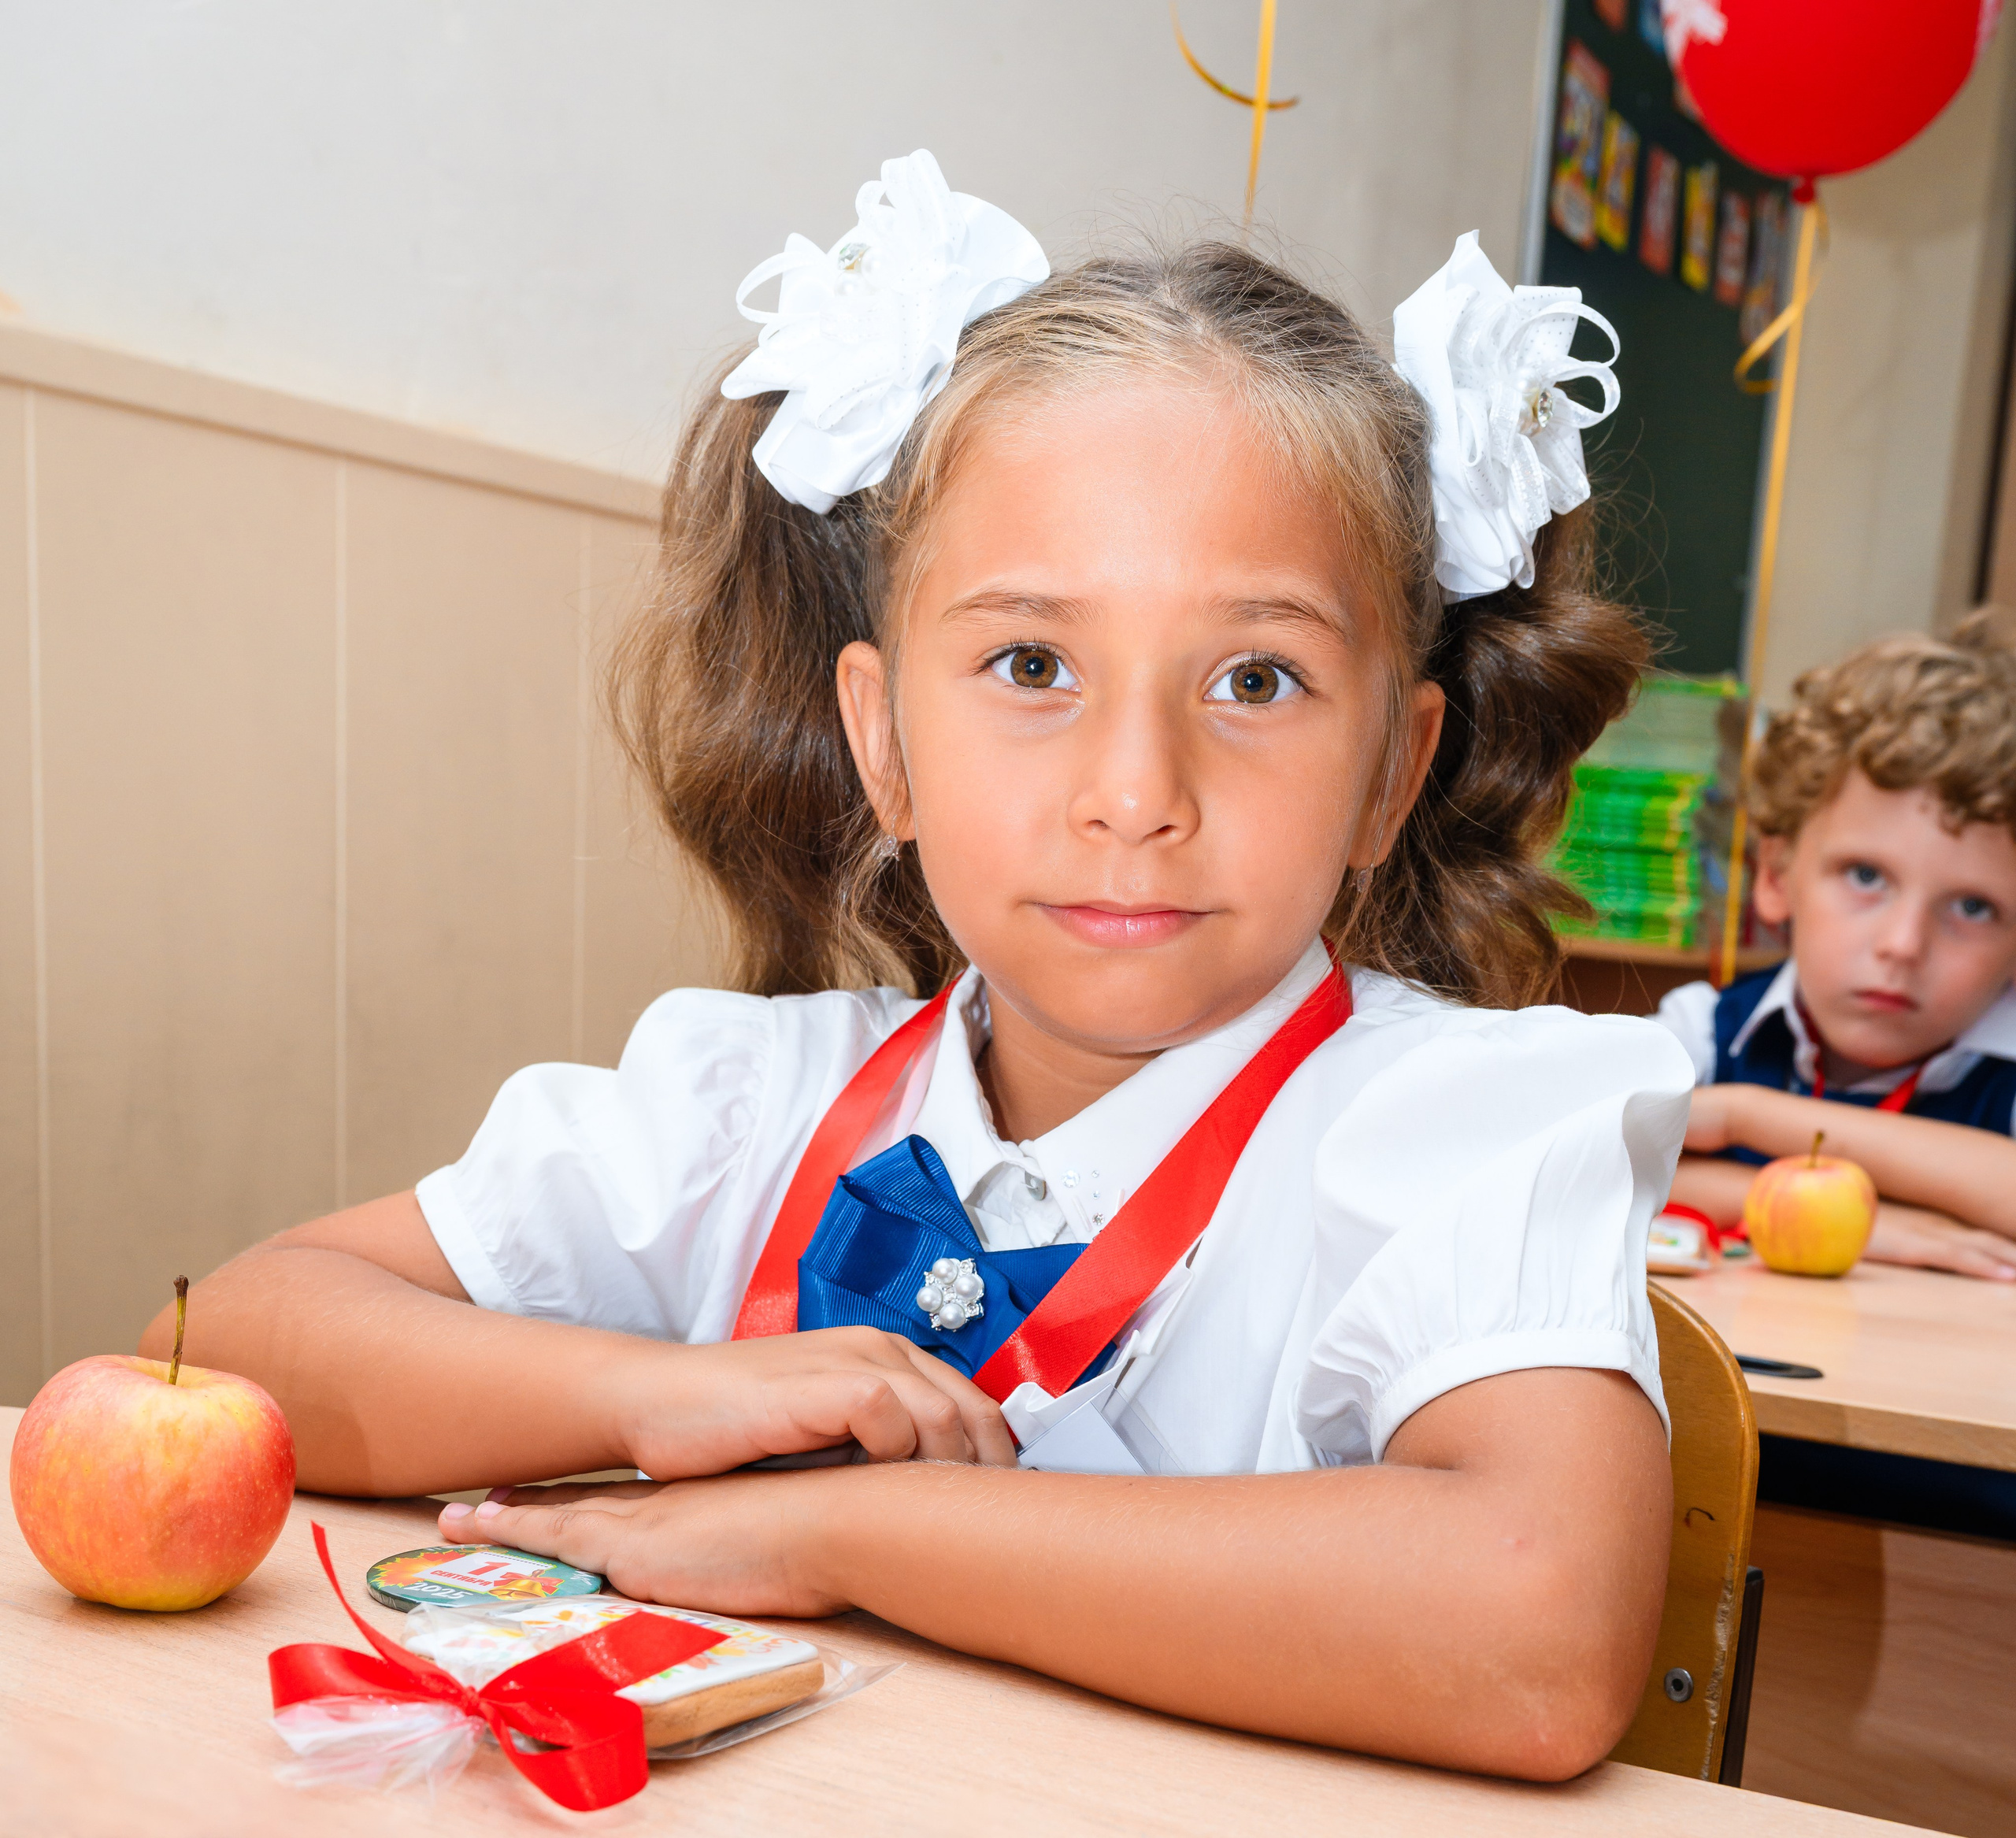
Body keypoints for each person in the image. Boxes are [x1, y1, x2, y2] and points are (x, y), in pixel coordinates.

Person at [145, 153, 1692, 1780]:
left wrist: (840, 1531)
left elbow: (1540, 1628)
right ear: (883, 742)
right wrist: (637, 1393)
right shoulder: (748, 1102)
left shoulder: (1455, 1131)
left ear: (1391, 770)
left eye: (1254, 678)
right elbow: (224, 1343)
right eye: (1031, 663)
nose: (1135, 793)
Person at [1659, 613, 2016, 1280]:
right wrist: (1871, 1225)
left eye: (1973, 907)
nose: (1903, 946)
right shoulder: (1703, 1032)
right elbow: (1582, 1161)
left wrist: (1745, 1117)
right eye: (1866, 876)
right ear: (1775, 876)